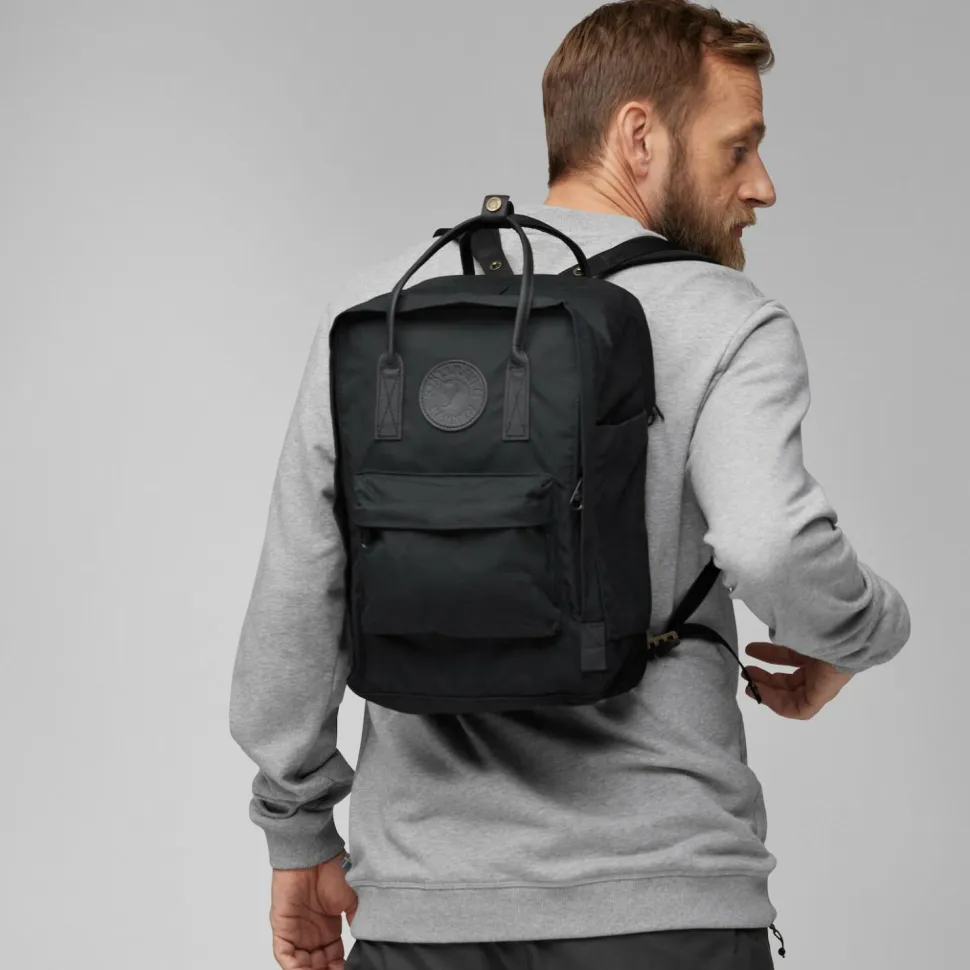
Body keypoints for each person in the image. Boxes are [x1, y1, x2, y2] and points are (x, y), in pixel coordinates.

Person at [228, 2, 912, 968]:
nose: (762, 185)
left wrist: (298, 833)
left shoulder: (376, 318)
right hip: (663, 907)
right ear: (640, 135)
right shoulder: (727, 319)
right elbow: (772, 544)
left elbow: (298, 597)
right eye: (739, 147)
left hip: (425, 913)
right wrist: (860, 634)